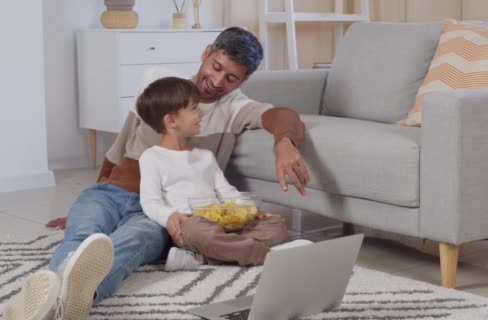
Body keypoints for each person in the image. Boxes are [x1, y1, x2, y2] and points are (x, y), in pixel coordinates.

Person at [6, 26, 309, 320]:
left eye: (231, 78)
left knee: (127, 245)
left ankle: (67, 301)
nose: (217, 82)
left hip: (156, 212)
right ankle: (51, 299)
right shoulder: (159, 82)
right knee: (83, 233)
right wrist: (93, 196)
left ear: (244, 80)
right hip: (109, 194)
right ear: (206, 53)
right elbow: (120, 145)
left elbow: (282, 116)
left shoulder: (235, 108)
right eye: (216, 67)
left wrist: (284, 142)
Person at [137, 76, 288, 269]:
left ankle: (204, 257)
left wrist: (248, 209)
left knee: (276, 224)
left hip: (222, 221)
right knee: (198, 233)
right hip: (191, 223)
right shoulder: (152, 158)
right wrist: (169, 217)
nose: (201, 114)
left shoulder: (205, 156)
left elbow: (226, 191)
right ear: (171, 120)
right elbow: (150, 201)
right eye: (194, 109)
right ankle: (263, 255)